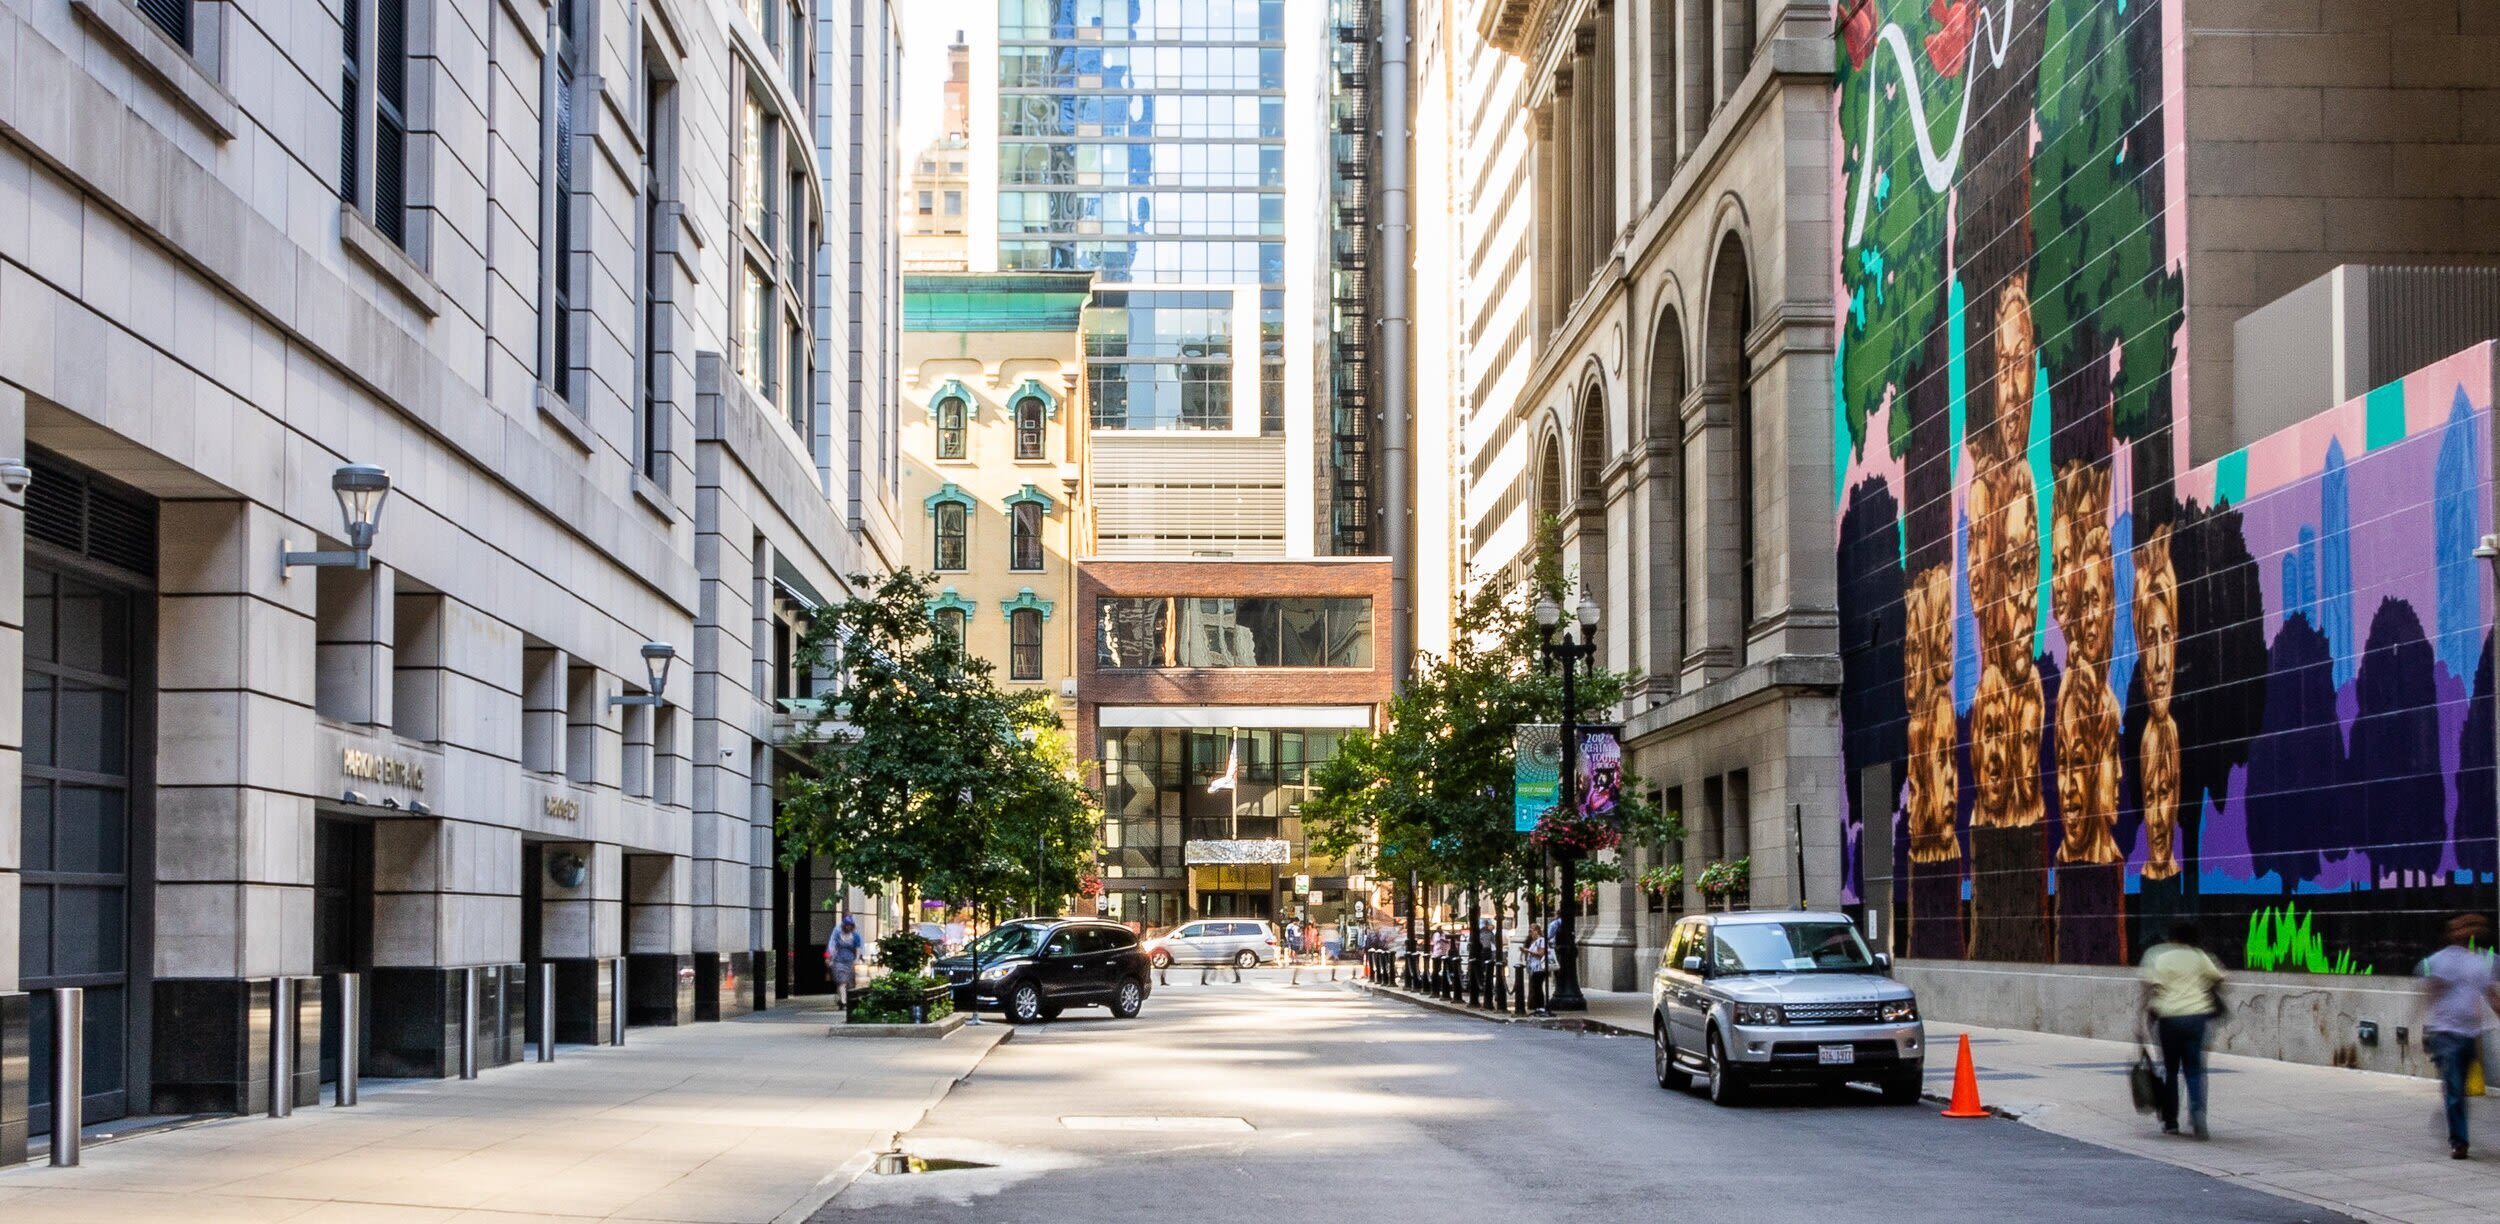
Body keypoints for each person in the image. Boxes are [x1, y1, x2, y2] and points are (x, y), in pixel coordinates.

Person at [2420, 914, 2500, 1160]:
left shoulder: (2482, 962)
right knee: (2455, 1087)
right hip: (2445, 1033)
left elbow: (2490, 994)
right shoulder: (2440, 961)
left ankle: (2456, 1126)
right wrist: (2425, 1027)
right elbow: (2430, 993)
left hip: (2471, 1033)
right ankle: (2459, 1142)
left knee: (2460, 1088)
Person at [2139, 921, 2227, 1139]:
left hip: (2169, 1018)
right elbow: (2221, 978)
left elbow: (2151, 987)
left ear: (2173, 938)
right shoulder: (2199, 956)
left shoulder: (2163, 958)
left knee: (2170, 1071)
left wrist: (2142, 1017)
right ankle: (2198, 1113)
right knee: (2194, 1069)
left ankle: (2170, 1121)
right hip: (2196, 1017)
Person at [827, 914, 864, 1006]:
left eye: (850, 925)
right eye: (847, 925)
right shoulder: (838, 935)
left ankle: (842, 998)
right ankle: (844, 1001)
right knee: (841, 981)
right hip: (838, 961)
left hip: (850, 961)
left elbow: (858, 948)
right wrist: (830, 958)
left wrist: (856, 959)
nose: (848, 927)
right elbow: (833, 947)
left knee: (848, 983)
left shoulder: (855, 936)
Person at [1525, 928, 1552, 1015]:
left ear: (1537, 931)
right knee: (1536, 987)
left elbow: (1541, 953)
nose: (1531, 933)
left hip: (1539, 967)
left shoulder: (1541, 940)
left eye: (1532, 930)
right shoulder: (1535, 941)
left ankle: (1541, 1007)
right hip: (1534, 968)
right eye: (1529, 931)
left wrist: (1527, 951)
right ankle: (1538, 1007)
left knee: (1538, 987)